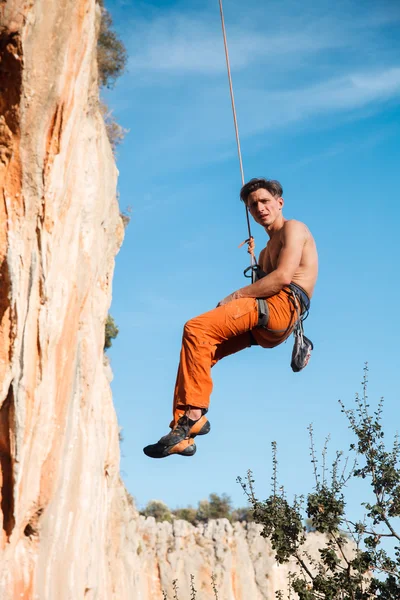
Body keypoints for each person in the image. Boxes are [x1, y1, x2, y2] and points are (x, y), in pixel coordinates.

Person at [143, 178, 318, 459]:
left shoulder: (294, 229)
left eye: (264, 201)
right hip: (268, 324)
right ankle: (182, 432)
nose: (259, 208)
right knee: (200, 350)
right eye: (253, 205)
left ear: (279, 202)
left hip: (282, 308)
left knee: (196, 327)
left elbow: (283, 277)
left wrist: (235, 296)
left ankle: (195, 415)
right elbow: (267, 279)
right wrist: (257, 260)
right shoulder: (264, 250)